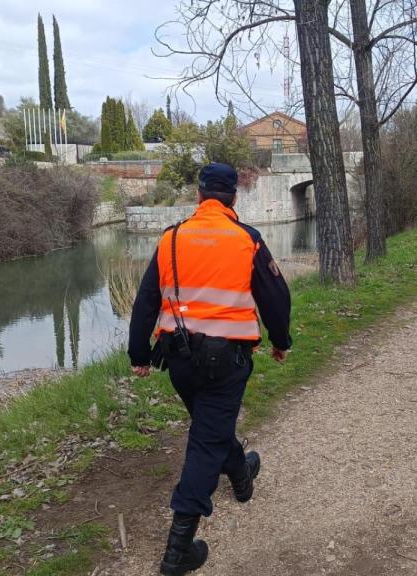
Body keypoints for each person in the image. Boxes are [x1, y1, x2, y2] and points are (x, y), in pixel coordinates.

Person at [127, 162, 292, 575]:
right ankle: (177, 552)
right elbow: (275, 297)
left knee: (209, 428)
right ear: (233, 198)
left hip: (179, 360)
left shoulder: (172, 238)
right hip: (226, 362)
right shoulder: (246, 239)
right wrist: (280, 341)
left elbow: (146, 300)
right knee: (205, 443)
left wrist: (139, 354)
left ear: (199, 195)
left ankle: (241, 475)